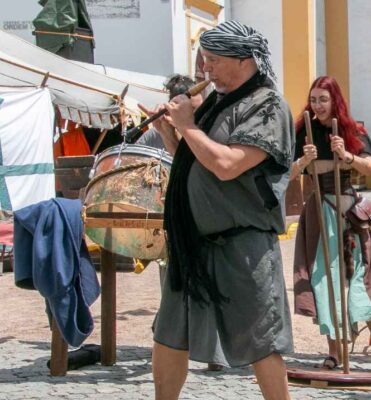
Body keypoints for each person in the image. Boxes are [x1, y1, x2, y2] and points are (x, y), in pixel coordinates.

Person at [141, 21, 295, 400]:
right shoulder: (216, 102)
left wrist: (187, 126)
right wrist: (171, 134)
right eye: (203, 59)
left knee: (261, 340)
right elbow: (198, 163)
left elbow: (227, 165)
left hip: (242, 244)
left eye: (213, 59)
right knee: (170, 333)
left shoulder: (267, 105)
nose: (204, 68)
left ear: (244, 60)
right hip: (193, 242)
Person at [289, 76, 371, 373]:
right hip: (319, 213)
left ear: (334, 100)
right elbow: (286, 174)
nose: (318, 105)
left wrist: (346, 155)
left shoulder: (352, 130)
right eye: (313, 100)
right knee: (325, 280)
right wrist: (303, 161)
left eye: (323, 99)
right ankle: (334, 352)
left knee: (364, 278)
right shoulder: (303, 132)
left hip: (349, 212)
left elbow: (370, 167)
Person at [135, 74, 201, 150]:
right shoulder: (155, 134)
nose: (201, 113)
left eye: (201, 108)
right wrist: (164, 132)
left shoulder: (207, 134)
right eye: (192, 110)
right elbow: (131, 156)